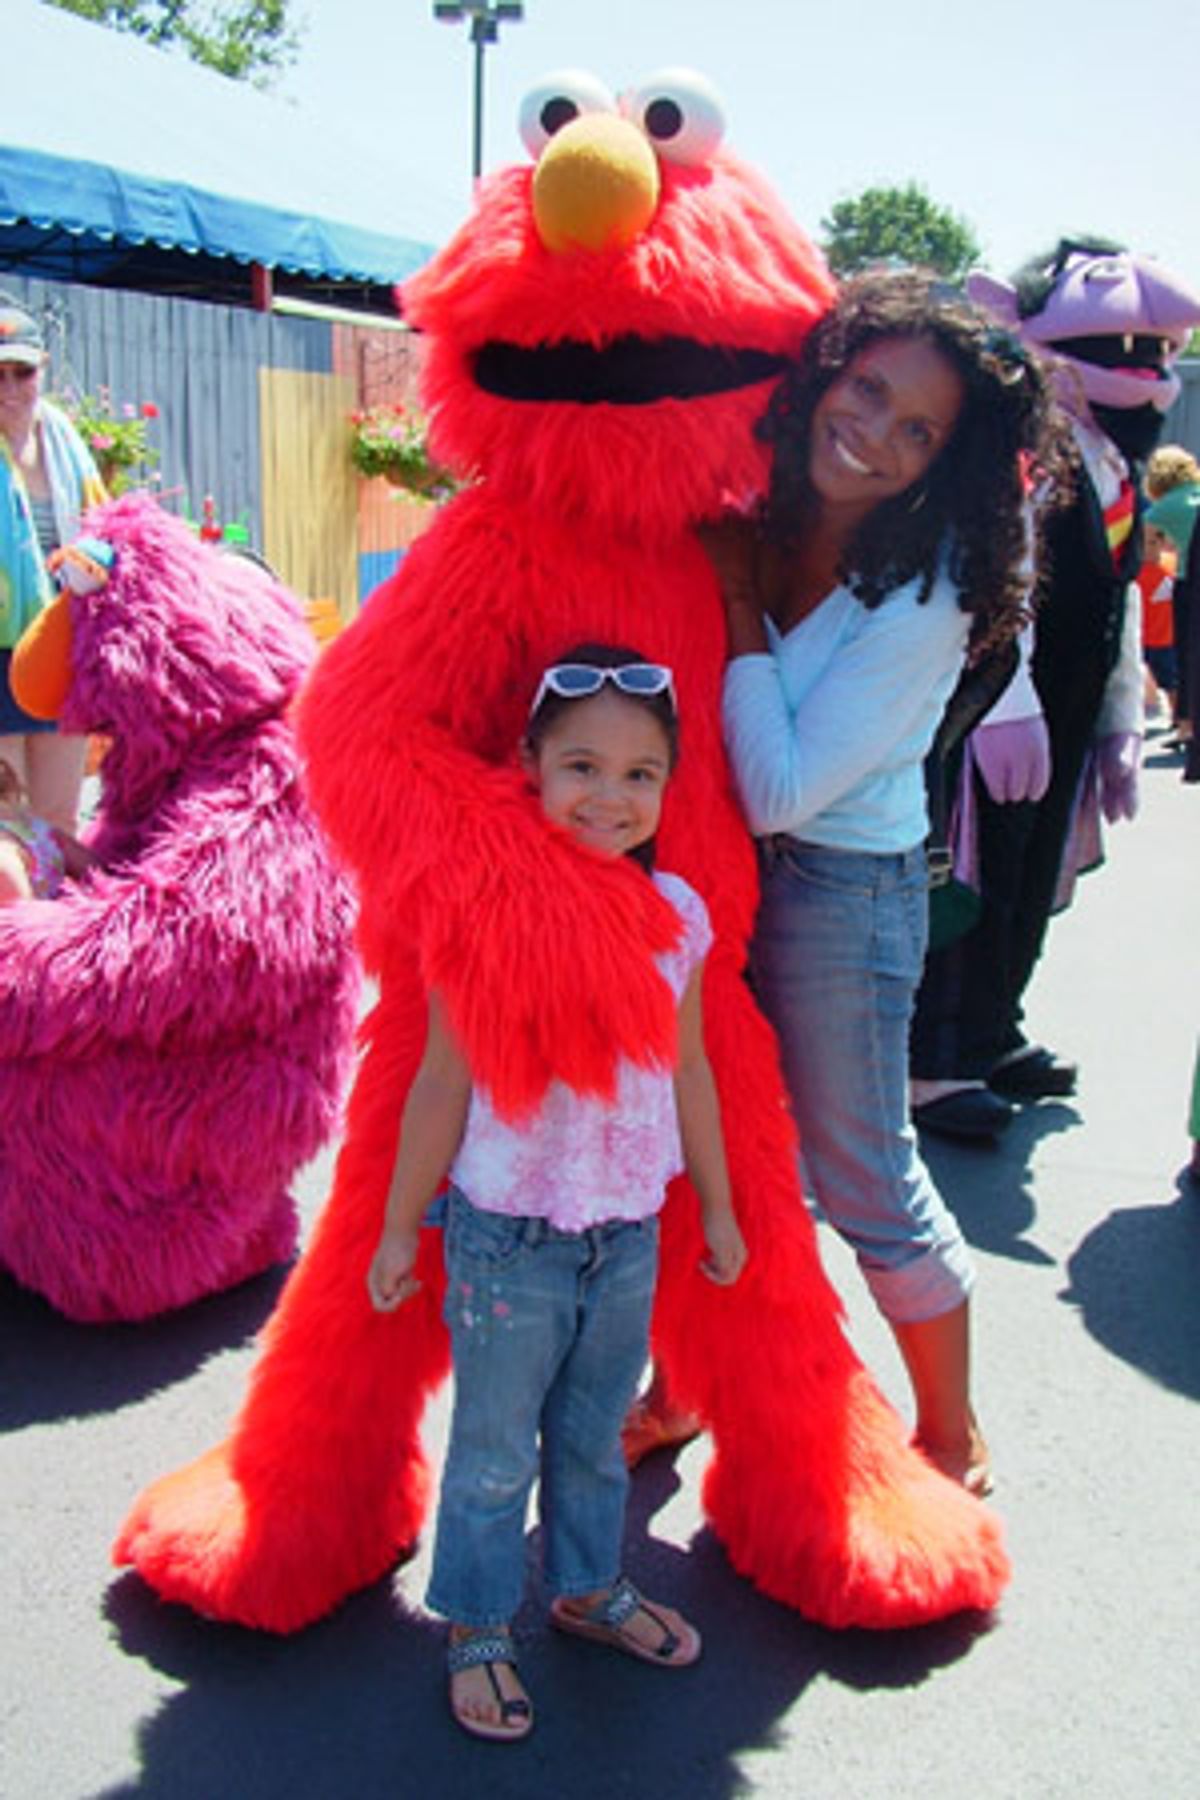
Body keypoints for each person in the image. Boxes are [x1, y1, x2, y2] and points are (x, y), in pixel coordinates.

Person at [698, 271, 1069, 1497]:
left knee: (863, 1173)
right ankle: (679, 1390)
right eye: (869, 390)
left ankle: (951, 1434)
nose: (878, 433)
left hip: (841, 894)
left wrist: (743, 602)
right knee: (720, 1151)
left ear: (948, 466)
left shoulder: (928, 589)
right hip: (729, 877)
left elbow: (783, 787)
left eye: (920, 430)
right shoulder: (765, 493)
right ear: (827, 370)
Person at [367, 645, 747, 1744]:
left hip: (624, 1231)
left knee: (591, 1436)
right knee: (492, 1446)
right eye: (582, 765)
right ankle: (479, 1623)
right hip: (506, 1236)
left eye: (641, 775)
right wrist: (402, 1223)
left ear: (669, 788)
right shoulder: (483, 907)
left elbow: (690, 1071)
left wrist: (716, 1207)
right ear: (530, 764)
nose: (610, 797)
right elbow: (441, 1076)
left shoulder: (675, 914)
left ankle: (587, 1585)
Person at [0, 291, 106, 834]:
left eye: (22, 373)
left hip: (59, 646)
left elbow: (104, 528)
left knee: (59, 817)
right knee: (7, 824)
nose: (11, 389)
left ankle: (58, 920)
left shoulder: (64, 440)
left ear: (41, 371)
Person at [0, 753, 95, 902]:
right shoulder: (42, 831)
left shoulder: (4, 849)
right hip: (55, 917)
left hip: (27, 917)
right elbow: (97, 872)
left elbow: (17, 915)